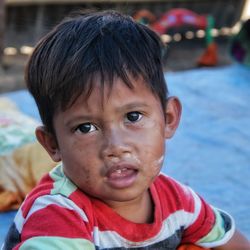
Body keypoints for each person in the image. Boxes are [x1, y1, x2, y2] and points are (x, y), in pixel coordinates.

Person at [2, 10, 249, 250]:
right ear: (52, 144)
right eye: (85, 128)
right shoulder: (56, 218)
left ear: (169, 118)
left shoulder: (179, 201)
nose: (116, 146)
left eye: (133, 116)